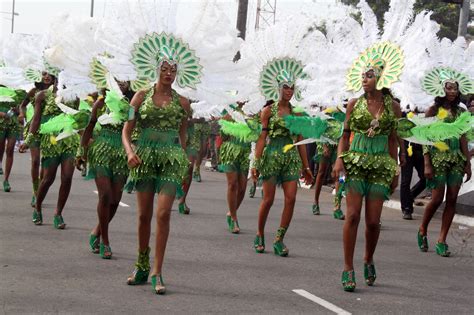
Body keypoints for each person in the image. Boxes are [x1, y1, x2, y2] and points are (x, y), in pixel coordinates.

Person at [333, 42, 405, 291]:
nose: (364, 79)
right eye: (363, 75)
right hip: (356, 159)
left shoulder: (393, 107)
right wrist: (339, 158)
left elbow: (394, 140)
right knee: (352, 215)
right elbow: (345, 134)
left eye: (369, 75)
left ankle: (368, 258)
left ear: (380, 78)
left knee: (373, 222)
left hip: (380, 164)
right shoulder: (354, 103)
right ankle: (347, 267)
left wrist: (396, 169)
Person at [123, 57, 191, 294]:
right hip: (144, 158)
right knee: (144, 216)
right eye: (164, 69)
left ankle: (157, 270)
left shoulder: (183, 103)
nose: (169, 73)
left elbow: (183, 137)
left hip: (171, 160)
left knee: (163, 214)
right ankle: (141, 264)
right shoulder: (139, 97)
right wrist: (130, 151)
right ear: (156, 70)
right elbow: (127, 129)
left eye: (173, 70)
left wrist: (185, 162)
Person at [418, 78, 472, 257]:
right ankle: (423, 229)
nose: (452, 91)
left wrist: (467, 162)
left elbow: (463, 136)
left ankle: (442, 240)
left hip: (456, 158)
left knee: (452, 199)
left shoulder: (459, 112)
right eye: (449, 88)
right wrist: (427, 163)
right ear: (441, 89)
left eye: (455, 89)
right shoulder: (433, 111)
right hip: (438, 158)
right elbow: (425, 138)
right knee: (436, 199)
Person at [82, 85, 132, 258]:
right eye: (119, 79)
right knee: (105, 196)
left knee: (115, 200)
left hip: (121, 153)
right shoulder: (100, 103)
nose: (122, 83)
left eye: (125, 80)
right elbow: (89, 126)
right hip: (101, 150)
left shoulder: (130, 105)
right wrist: (81, 152)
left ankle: (96, 231)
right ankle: (105, 241)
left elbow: (134, 130)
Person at [24, 79, 81, 228]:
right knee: (48, 178)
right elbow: (36, 119)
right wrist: (29, 139)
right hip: (51, 140)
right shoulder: (42, 95)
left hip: (69, 139)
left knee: (67, 177)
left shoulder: (75, 96)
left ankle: (58, 213)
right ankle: (38, 206)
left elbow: (76, 119)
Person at [18, 72, 56, 207]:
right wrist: (22, 113)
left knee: (44, 162)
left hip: (50, 130)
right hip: (34, 127)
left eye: (49, 75)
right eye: (44, 74)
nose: (46, 77)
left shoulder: (57, 92)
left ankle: (39, 191)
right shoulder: (34, 91)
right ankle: (35, 192)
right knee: (35, 161)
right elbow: (22, 105)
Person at [0, 87, 26, 192]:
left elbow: (20, 107)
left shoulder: (15, 90)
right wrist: (1, 114)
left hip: (13, 124)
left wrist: (20, 113)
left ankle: (6, 180)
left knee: (10, 149)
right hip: (0, 122)